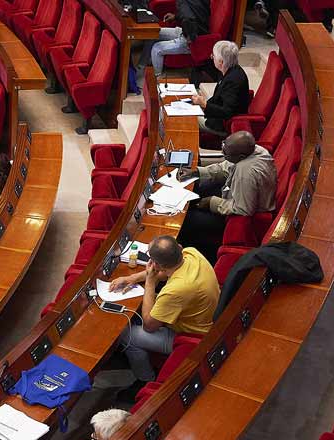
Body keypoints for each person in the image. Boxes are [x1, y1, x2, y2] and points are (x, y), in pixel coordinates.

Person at [111, 236, 219, 400]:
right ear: (180, 247)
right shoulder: (191, 253)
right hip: (201, 314)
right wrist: (130, 278)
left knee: (127, 335)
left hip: (191, 335)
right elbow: (164, 272)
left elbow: (149, 325)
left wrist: (149, 283)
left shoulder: (176, 290)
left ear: (156, 264)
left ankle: (144, 378)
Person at [177, 131, 276, 262]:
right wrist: (198, 172)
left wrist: (211, 202)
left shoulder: (245, 174)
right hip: (236, 195)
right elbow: (226, 167)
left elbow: (243, 209)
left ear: (240, 156)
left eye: (226, 154)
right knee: (199, 189)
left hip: (242, 219)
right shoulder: (254, 149)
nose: (223, 154)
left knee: (187, 220)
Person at [191, 41, 250, 138]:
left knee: (188, 119)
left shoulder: (233, 80)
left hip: (223, 125)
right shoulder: (230, 69)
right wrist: (202, 104)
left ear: (221, 62)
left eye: (213, 56)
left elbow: (227, 112)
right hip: (214, 115)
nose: (211, 57)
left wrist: (204, 104)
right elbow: (219, 98)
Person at [147, 0, 210, 75]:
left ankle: (157, 80)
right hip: (187, 31)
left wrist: (189, 39)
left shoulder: (183, 3)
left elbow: (189, 18)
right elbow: (192, 13)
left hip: (194, 39)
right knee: (154, 33)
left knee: (156, 48)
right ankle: (150, 64)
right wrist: (175, 16)